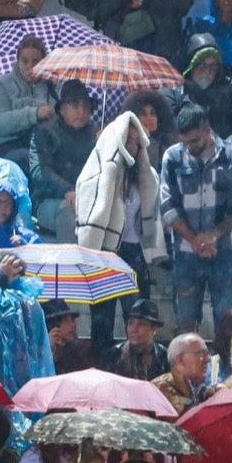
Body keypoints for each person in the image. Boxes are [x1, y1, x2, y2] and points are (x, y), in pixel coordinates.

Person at [76, 111, 166, 349]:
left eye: (137, 142)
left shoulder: (147, 176)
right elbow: (88, 206)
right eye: (127, 140)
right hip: (106, 252)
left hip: (134, 253)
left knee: (137, 318)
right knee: (102, 320)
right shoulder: (98, 172)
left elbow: (152, 215)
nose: (133, 146)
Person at [158, 104, 232, 334]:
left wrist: (214, 236)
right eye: (185, 142)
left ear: (207, 129)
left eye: (195, 141)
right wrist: (195, 239)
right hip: (186, 253)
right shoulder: (173, 157)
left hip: (225, 251)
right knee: (185, 322)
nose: (190, 147)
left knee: (229, 324)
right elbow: (168, 204)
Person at [0, 248, 55, 397]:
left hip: (1, 391)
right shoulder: (30, 303)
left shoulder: (5, 302)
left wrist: (0, 273)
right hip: (24, 391)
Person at [29, 79, 98, 243]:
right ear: (62, 109)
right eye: (75, 105)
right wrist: (66, 190)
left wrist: (104, 145)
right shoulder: (44, 132)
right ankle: (70, 265)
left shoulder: (96, 134)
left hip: (88, 199)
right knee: (68, 212)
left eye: (85, 106)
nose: (81, 111)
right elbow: (41, 171)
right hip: (49, 200)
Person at [0, 34, 59, 169]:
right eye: (25, 61)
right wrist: (34, 114)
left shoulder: (52, 86)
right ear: (17, 61)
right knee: (30, 161)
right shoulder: (3, 83)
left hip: (43, 144)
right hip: (9, 145)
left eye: (35, 61)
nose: (30, 66)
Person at [167, 36, 232, 142]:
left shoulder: (230, 88)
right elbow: (171, 131)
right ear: (191, 67)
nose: (207, 71)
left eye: (213, 66)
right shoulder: (175, 91)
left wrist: (229, 146)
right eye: (201, 65)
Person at [96, 298, 169, 381]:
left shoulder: (165, 356)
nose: (134, 329)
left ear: (155, 328)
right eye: (130, 323)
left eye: (141, 324)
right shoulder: (114, 355)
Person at [151, 332, 211, 415]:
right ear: (180, 359)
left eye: (207, 354)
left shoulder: (208, 391)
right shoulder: (159, 390)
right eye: (201, 354)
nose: (208, 359)